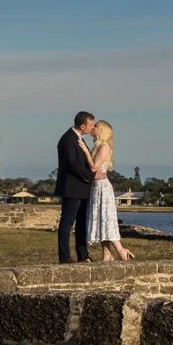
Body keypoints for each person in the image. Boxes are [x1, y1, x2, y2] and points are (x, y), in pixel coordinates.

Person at [82, 120, 135, 262]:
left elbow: (94, 167)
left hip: (102, 188)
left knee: (107, 220)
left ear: (102, 130)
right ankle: (106, 254)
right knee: (100, 221)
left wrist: (85, 151)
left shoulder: (104, 146)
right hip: (95, 187)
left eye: (96, 126)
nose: (93, 127)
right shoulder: (97, 146)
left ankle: (121, 250)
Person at [55, 111, 96, 264]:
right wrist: (89, 176)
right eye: (91, 125)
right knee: (67, 222)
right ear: (82, 125)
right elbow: (72, 164)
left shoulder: (79, 139)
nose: (92, 128)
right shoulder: (68, 139)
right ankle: (64, 256)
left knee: (82, 222)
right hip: (72, 187)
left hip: (82, 188)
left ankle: (83, 254)